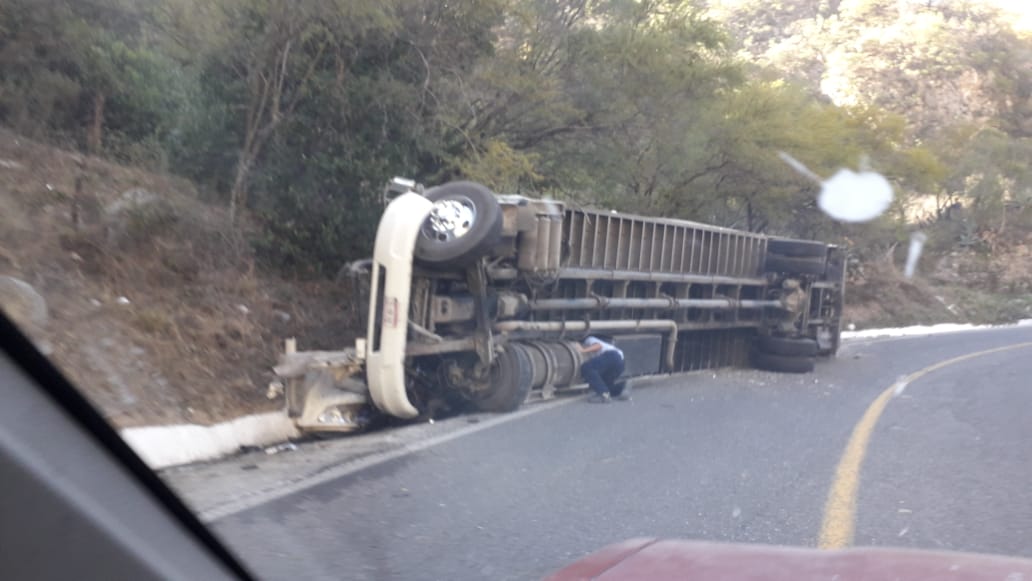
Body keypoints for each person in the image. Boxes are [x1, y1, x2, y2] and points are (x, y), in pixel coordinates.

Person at [577, 335, 631, 403]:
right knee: (605, 385)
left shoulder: (589, 339)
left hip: (612, 356)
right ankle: (622, 386)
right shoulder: (606, 344)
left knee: (587, 368)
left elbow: (598, 346)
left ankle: (604, 396)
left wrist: (583, 350)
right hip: (621, 362)